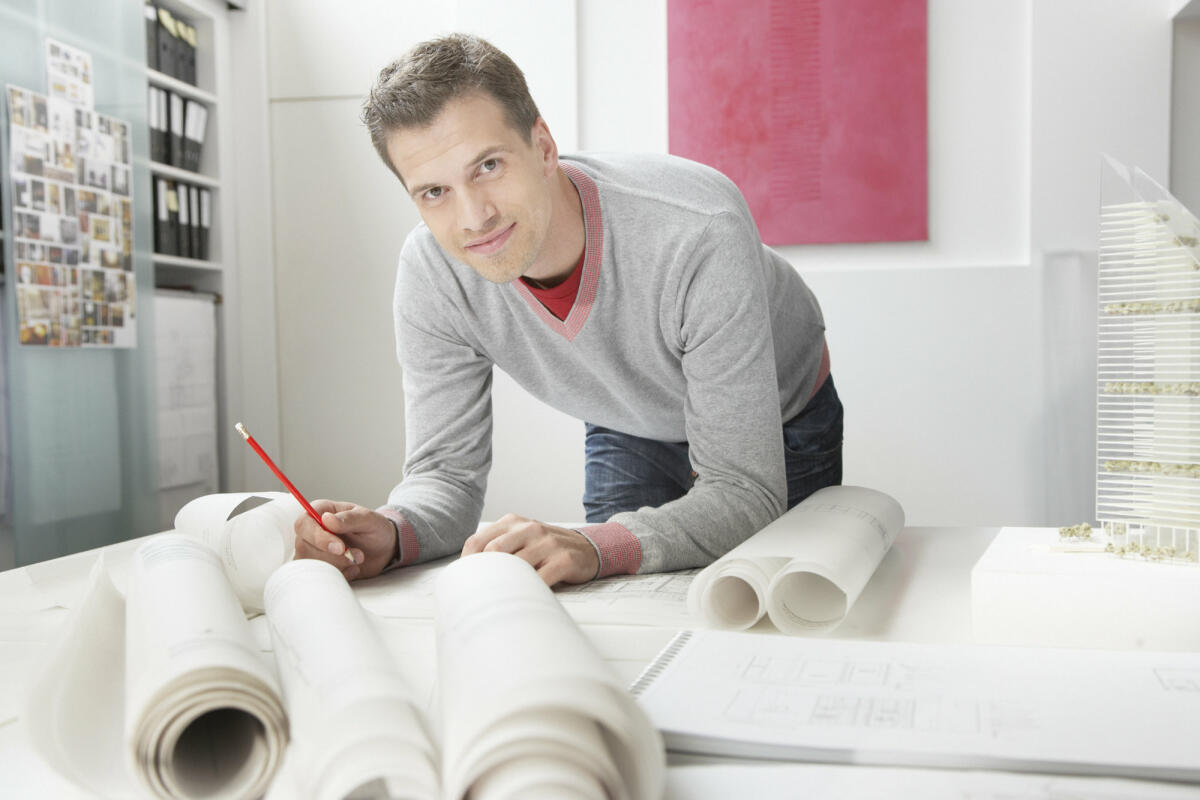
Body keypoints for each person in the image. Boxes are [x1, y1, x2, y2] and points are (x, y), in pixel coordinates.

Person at [294, 33, 843, 586]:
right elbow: (446, 476)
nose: (474, 217)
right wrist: (391, 533)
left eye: (487, 165)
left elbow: (746, 492)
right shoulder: (433, 274)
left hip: (780, 409)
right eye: (434, 191)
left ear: (544, 147)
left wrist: (590, 544)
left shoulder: (697, 228)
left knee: (781, 602)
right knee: (626, 602)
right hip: (629, 417)